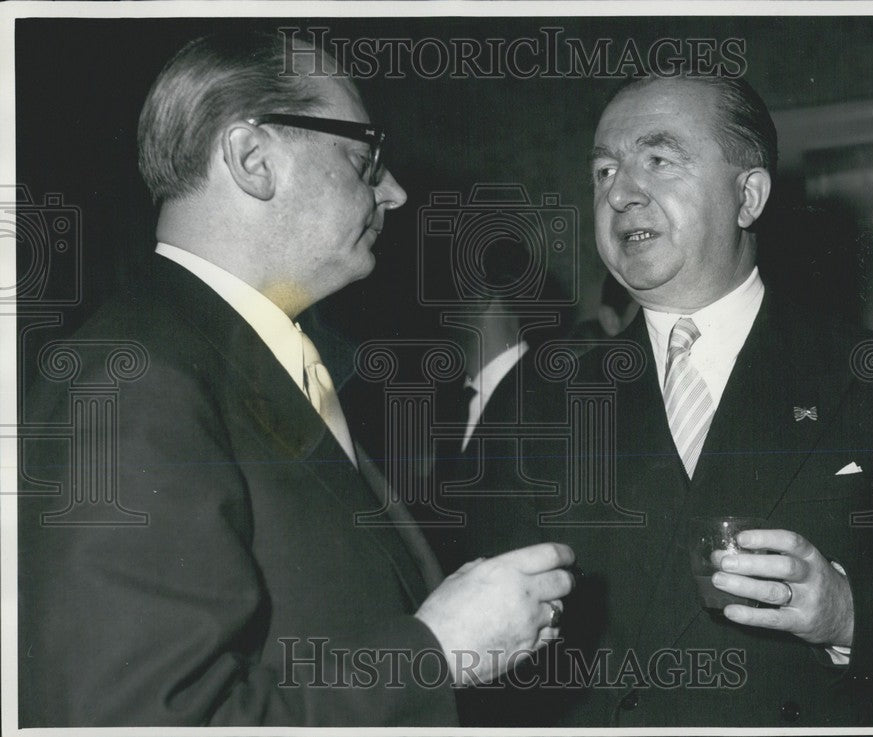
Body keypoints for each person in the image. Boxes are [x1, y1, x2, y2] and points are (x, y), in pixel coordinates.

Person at [17, 31, 574, 727]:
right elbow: (134, 717)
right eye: (365, 157)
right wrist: (435, 650)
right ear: (254, 160)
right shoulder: (134, 378)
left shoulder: (246, 358)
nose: (395, 191)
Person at [498, 73, 873, 727]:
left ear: (748, 195)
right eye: (604, 170)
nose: (620, 192)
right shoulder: (540, 392)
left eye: (658, 159)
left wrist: (844, 610)